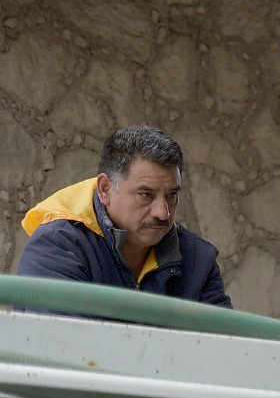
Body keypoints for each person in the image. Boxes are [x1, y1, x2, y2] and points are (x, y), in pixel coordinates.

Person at [18, 125, 232, 307]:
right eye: (145, 194)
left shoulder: (198, 260)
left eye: (172, 195)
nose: (163, 212)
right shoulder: (57, 247)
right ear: (105, 190)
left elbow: (227, 350)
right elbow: (64, 348)